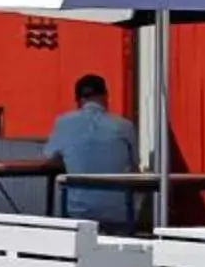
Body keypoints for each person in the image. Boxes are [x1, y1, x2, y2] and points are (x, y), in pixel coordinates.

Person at [48, 74, 142, 227]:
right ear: (105, 98)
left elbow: (50, 158)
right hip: (121, 213)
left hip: (77, 212)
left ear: (78, 101)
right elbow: (135, 165)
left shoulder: (64, 123)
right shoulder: (125, 126)